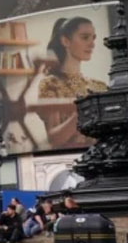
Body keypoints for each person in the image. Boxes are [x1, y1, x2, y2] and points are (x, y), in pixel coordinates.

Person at [38, 17, 107, 148]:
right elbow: (54, 139)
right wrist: (82, 113)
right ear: (65, 41)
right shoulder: (50, 84)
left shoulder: (99, 86)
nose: (92, 43)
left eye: (93, 38)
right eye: (85, 37)